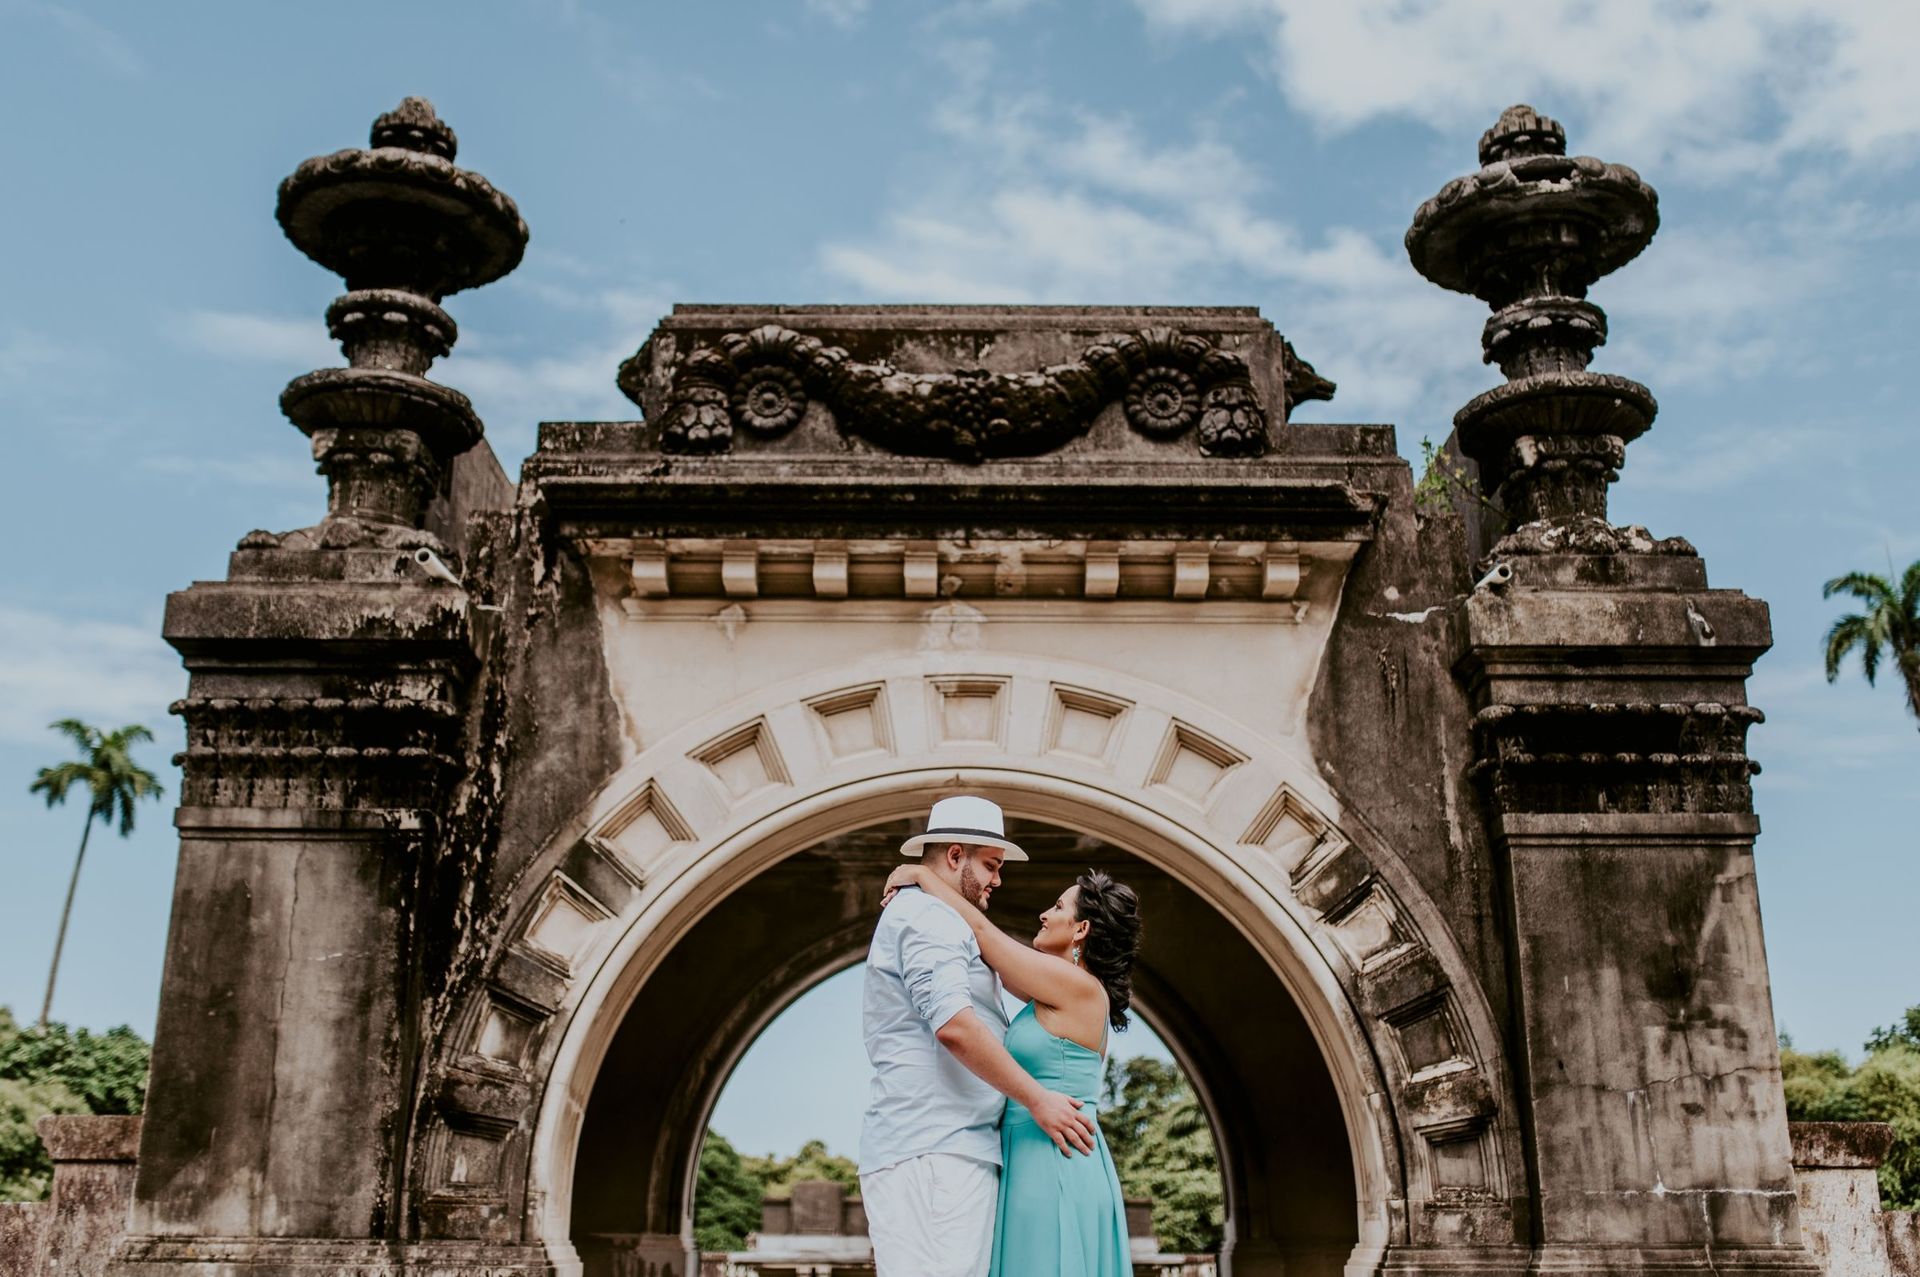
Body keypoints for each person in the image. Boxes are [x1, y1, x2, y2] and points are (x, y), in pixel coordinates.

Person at [859, 795, 1099, 1277]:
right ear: (954, 855)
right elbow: (954, 1025)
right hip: (934, 1151)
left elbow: (996, 957)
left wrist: (925, 879)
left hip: (947, 1148)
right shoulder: (929, 920)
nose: (998, 879)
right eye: (991, 865)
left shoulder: (940, 916)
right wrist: (1038, 1099)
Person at [882, 842, 1143, 1277]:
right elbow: (994, 964)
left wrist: (924, 878)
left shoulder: (1074, 985)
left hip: (1051, 1158)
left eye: (1057, 907)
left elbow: (986, 939)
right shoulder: (1060, 989)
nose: (1044, 913)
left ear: (1080, 930)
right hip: (1041, 1150)